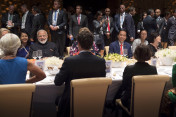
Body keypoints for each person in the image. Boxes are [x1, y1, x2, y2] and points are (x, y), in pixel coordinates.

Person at [54, 28, 106, 117]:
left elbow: (57, 82)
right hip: (94, 101)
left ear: (78, 44)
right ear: (92, 44)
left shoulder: (69, 61)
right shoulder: (101, 61)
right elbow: (102, 80)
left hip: (71, 103)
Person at [114, 45, 157, 109]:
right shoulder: (153, 69)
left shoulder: (129, 69)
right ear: (149, 54)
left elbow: (124, 86)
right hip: (148, 100)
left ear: (135, 54)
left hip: (131, 100)